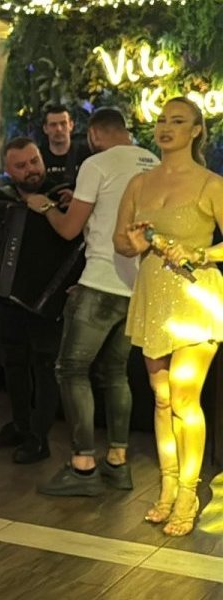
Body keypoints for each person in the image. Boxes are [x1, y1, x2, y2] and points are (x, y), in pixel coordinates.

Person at [26, 107, 158, 497]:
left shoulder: (96, 163)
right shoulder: (153, 162)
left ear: (95, 134)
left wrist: (45, 206)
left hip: (100, 282)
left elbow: (69, 230)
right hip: (137, 287)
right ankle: (118, 462)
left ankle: (83, 466)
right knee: (115, 373)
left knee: (71, 369)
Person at [113, 97, 223, 536]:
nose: (166, 127)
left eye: (177, 120)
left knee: (183, 398)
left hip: (196, 298)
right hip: (153, 296)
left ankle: (188, 493)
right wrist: (135, 245)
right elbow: (120, 241)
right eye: (161, 119)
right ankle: (168, 486)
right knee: (161, 399)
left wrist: (200, 253)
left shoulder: (211, 183)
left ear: (195, 131)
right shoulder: (139, 183)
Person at [0, 138, 77, 464]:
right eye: (22, 166)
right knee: (13, 362)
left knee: (44, 366)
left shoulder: (64, 195)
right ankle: (20, 425)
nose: (31, 170)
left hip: (49, 298)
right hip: (9, 296)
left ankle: (39, 437)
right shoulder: (1, 199)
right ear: (9, 171)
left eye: (34, 161)